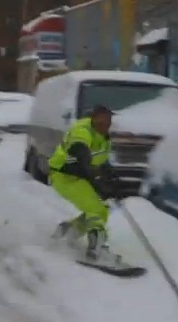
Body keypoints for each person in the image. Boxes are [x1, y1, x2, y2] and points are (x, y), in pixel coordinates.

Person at [49, 105, 121, 263]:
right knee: (94, 208)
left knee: (102, 211)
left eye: (109, 120)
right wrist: (96, 179)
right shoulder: (82, 130)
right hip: (64, 175)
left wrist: (109, 175)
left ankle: (69, 230)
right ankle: (97, 250)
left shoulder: (103, 138)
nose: (106, 123)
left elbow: (99, 160)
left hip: (81, 176)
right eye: (102, 119)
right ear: (93, 118)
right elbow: (80, 150)